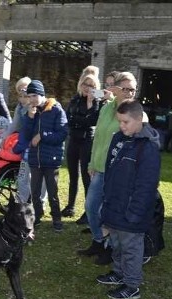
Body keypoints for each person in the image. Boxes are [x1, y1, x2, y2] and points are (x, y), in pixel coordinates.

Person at [95, 99, 160, 299]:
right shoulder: (119, 139)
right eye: (120, 122)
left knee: (131, 246)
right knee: (116, 242)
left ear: (139, 119)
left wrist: (135, 212)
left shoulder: (147, 147)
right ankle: (118, 272)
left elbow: (147, 185)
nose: (121, 126)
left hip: (132, 210)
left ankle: (132, 284)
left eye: (126, 122)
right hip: (115, 204)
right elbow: (111, 171)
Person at [78, 72, 138, 265]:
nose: (129, 92)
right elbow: (99, 137)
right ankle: (98, 240)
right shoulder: (106, 108)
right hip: (100, 168)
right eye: (126, 88)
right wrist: (91, 163)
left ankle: (110, 248)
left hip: (118, 173)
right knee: (91, 207)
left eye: (133, 89)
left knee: (110, 212)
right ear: (116, 88)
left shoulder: (135, 112)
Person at [13, 79, 68, 232]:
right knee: (35, 193)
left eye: (34, 96)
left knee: (53, 193)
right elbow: (25, 134)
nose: (31, 99)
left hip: (51, 160)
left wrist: (42, 135)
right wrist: (30, 118)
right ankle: (37, 216)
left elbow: (62, 134)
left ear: (42, 95)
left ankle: (57, 219)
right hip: (34, 159)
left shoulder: (56, 110)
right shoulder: (32, 111)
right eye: (29, 96)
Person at [62, 70, 102, 219]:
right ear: (81, 84)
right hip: (73, 139)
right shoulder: (75, 99)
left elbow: (92, 121)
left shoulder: (97, 101)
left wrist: (91, 103)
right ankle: (70, 206)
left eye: (92, 85)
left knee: (86, 177)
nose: (88, 87)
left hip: (87, 141)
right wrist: (81, 120)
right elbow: (68, 119)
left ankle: (88, 211)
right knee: (73, 175)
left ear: (96, 87)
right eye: (85, 84)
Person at [11, 76, 47, 206]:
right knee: (22, 178)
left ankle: (40, 204)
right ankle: (21, 202)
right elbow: (22, 131)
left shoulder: (46, 108)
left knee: (40, 179)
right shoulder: (24, 110)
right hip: (26, 151)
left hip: (41, 152)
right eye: (21, 92)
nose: (25, 96)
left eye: (28, 93)